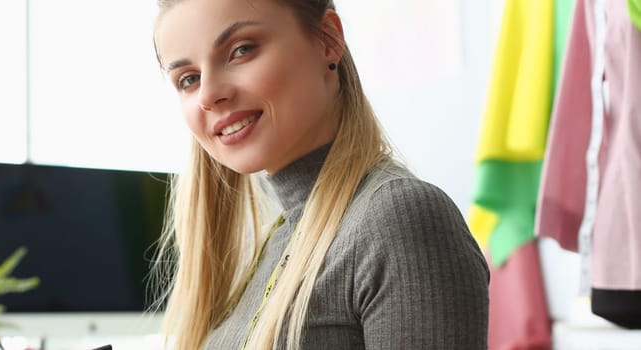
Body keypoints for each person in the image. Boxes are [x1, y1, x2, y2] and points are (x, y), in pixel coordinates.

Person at [150, 0, 490, 349]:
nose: (209, 94)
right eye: (188, 79)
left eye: (241, 50)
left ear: (328, 39)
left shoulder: (398, 217)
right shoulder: (275, 241)